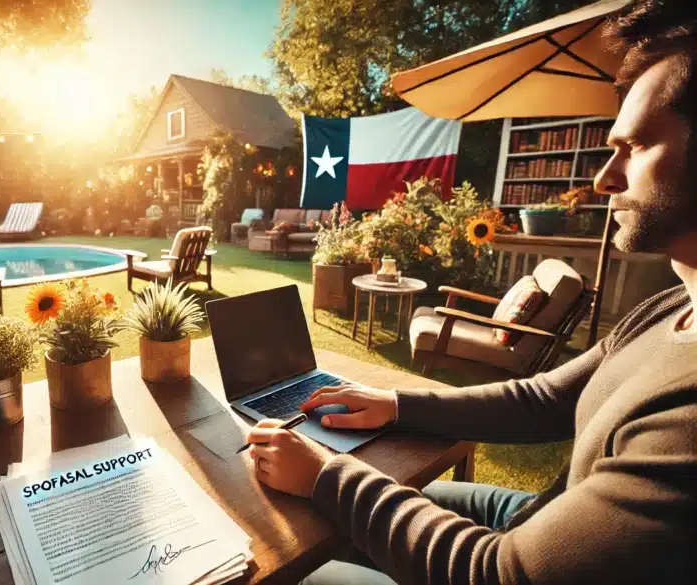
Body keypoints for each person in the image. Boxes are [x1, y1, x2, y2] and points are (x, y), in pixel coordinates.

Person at [245, 2, 697, 584]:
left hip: (508, 558)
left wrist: (327, 476)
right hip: (536, 518)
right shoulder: (669, 311)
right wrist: (397, 405)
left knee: (290, 564)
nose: (604, 179)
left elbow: (498, 572)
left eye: (634, 148)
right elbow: (545, 400)